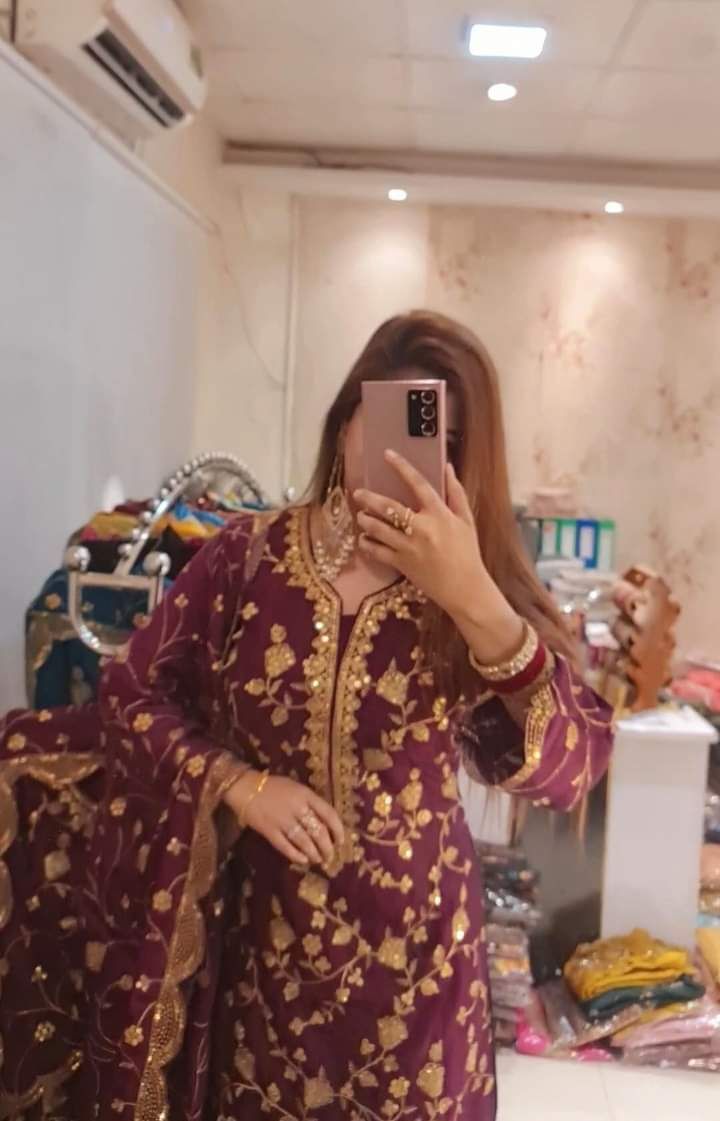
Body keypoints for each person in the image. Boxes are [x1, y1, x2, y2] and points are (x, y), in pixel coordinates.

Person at [0, 311, 613, 1121]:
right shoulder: (249, 557)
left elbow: (573, 767)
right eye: (386, 420)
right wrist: (240, 785)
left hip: (418, 988)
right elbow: (132, 693)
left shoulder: (477, 590)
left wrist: (473, 598)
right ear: (347, 419)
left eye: (440, 439)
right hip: (265, 966)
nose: (404, 456)